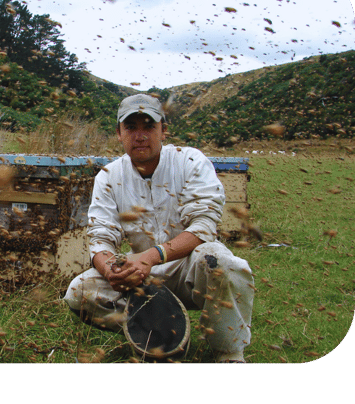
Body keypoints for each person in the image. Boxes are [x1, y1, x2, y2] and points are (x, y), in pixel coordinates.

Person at [64, 94, 254, 363]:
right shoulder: (109, 176)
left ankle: (229, 352)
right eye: (131, 128)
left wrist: (150, 258)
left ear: (164, 130)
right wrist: (112, 271)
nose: (140, 136)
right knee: (79, 291)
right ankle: (162, 336)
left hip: (189, 265)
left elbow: (203, 226)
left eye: (148, 127)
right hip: (140, 276)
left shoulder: (189, 162)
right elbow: (101, 238)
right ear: (119, 133)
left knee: (220, 261)